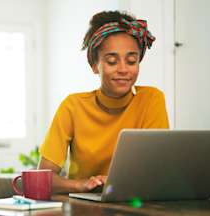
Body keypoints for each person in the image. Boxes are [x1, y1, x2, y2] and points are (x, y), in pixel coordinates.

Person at [38, 10, 169, 193]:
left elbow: (157, 170)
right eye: (112, 61)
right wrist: (81, 184)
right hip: (84, 206)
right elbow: (42, 177)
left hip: (137, 203)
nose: (123, 69)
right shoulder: (73, 106)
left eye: (131, 61)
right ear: (94, 65)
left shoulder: (151, 99)